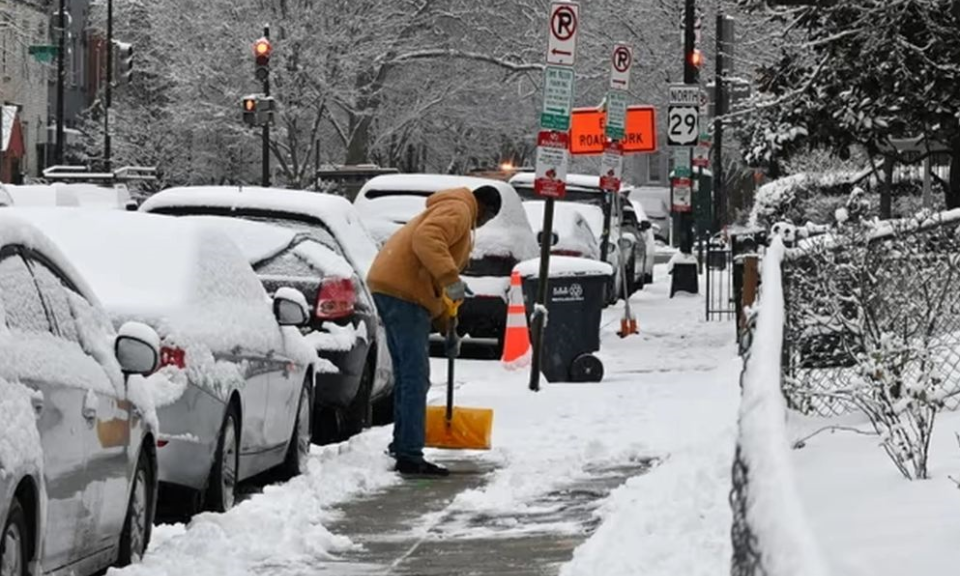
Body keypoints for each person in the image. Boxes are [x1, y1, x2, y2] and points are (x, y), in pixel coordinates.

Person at [367, 185, 502, 476]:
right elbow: (427, 240)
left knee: (406, 375)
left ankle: (402, 444)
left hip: (392, 287)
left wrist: (446, 325)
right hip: (405, 292)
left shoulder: (454, 208)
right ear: (486, 210)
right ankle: (409, 455)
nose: (483, 225)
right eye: (488, 219)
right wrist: (452, 280)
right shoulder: (460, 209)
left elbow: (432, 281)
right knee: (415, 377)